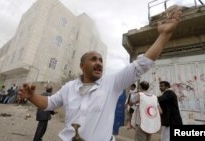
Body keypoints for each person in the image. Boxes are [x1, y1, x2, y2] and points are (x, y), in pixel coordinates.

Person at [19, 8, 182, 141]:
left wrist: (164, 35)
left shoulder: (112, 83)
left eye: (101, 60)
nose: (99, 62)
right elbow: (49, 103)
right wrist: (31, 96)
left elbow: (142, 64)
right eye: (93, 59)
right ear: (82, 66)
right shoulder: (69, 87)